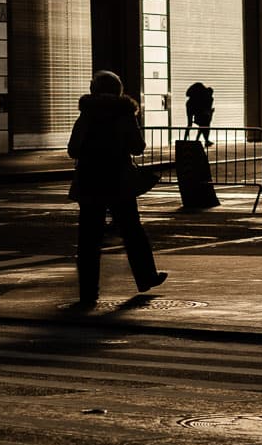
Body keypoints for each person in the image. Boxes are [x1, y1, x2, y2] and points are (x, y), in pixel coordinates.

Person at [67, 70, 168, 309]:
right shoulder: (124, 114)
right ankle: (146, 277)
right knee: (132, 230)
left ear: (94, 89)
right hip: (118, 180)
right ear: (118, 90)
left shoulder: (86, 115)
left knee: (89, 239)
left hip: (90, 180)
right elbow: (138, 147)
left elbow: (73, 149)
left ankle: (88, 293)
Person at [183, 80, 214, 146]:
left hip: (191, 106)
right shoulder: (204, 95)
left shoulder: (202, 92)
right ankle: (204, 141)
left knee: (191, 124)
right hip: (193, 107)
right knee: (201, 124)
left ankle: (187, 140)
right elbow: (206, 107)